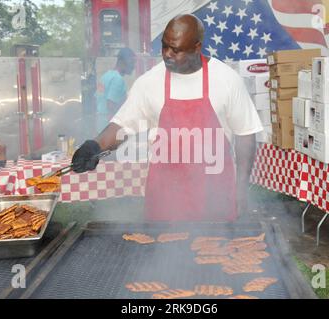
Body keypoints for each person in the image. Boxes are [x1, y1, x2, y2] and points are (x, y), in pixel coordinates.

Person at [72, 14, 263, 222]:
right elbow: (122, 124)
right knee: (161, 252)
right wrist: (95, 146)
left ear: (197, 47)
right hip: (165, 197)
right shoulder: (149, 82)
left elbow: (245, 134)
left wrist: (241, 188)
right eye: (164, 46)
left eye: (176, 49)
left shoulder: (227, 79)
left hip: (215, 195)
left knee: (218, 253)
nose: (167, 54)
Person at [95, 47, 136, 134]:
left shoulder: (105, 76)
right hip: (109, 128)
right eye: (131, 62)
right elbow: (111, 105)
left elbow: (96, 99)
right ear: (122, 62)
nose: (133, 66)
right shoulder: (118, 79)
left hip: (100, 125)